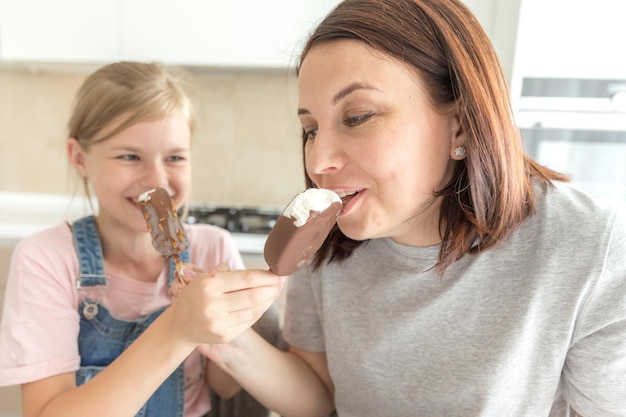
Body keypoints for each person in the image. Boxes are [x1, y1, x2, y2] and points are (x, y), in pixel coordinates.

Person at [171, 1, 626, 416]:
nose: (317, 161)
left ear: (461, 127)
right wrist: (224, 340)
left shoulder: (591, 249)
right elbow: (318, 398)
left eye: (357, 116)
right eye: (310, 129)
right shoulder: (325, 241)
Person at [0, 62, 283, 417]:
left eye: (175, 157)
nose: (157, 179)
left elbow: (224, 387)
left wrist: (224, 326)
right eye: (130, 157)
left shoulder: (214, 249)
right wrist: (177, 328)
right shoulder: (46, 259)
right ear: (79, 158)